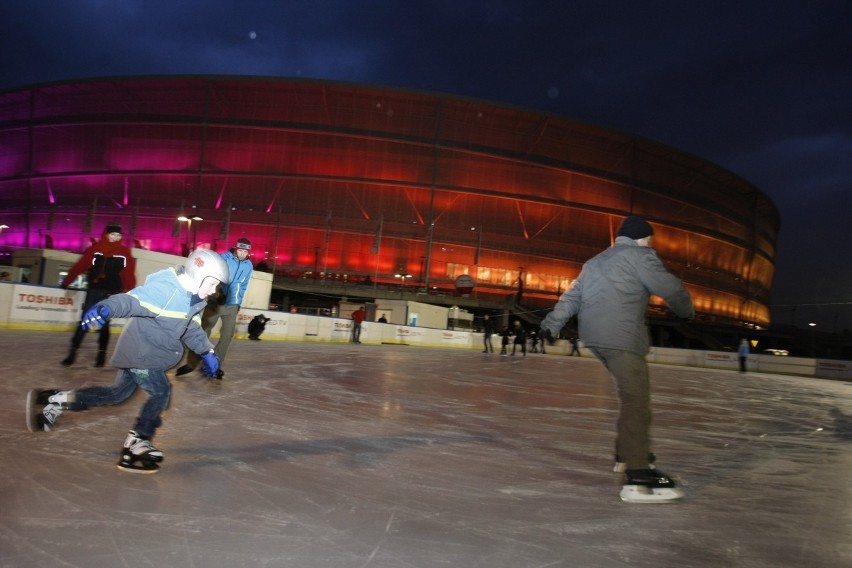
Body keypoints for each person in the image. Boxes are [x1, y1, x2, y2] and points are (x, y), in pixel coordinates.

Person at [29, 249, 228, 474]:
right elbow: (131, 300)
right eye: (211, 284)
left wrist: (207, 352)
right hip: (142, 355)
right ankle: (137, 443)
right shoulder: (166, 290)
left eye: (216, 286)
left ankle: (56, 399)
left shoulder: (194, 301)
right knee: (161, 392)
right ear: (196, 275)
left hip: (144, 354)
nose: (213, 291)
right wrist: (106, 307)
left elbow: (190, 329)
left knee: (116, 395)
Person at [540, 215, 694, 503]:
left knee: (630, 396)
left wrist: (551, 324)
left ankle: (626, 456)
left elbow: (571, 297)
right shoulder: (641, 256)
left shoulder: (595, 261)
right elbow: (669, 287)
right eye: (648, 239)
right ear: (639, 238)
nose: (649, 244)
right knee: (637, 401)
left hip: (595, 338)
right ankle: (636, 477)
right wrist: (686, 311)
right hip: (621, 339)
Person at [60, 224, 137, 368]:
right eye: (112, 234)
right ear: (106, 234)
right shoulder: (96, 249)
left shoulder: (124, 252)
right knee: (85, 321)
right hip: (95, 289)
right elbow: (81, 265)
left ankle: (101, 353)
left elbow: (128, 273)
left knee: (104, 323)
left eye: (118, 235)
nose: (115, 237)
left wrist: (132, 290)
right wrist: (67, 280)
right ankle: (72, 352)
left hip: (111, 292)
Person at [176, 238, 254, 379]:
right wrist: (214, 295)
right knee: (203, 332)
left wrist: (238, 304)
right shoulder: (222, 258)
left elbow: (243, 286)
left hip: (232, 304)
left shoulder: (248, 266)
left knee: (227, 335)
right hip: (216, 302)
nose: (242, 254)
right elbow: (210, 275)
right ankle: (191, 364)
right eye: (240, 250)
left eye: (245, 252)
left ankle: (214, 365)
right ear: (235, 248)